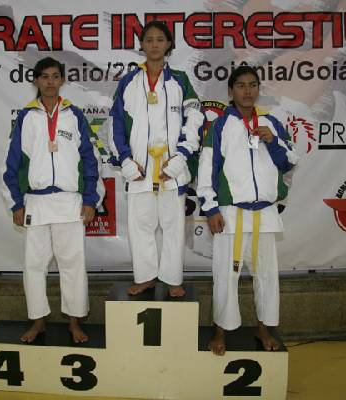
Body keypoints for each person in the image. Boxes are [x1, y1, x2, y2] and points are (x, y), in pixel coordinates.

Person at [197, 66, 298, 354]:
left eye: (253, 85)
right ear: (231, 91)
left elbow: (289, 162)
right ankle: (221, 331)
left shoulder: (272, 123)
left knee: (266, 275)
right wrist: (211, 208)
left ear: (258, 89)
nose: (247, 91)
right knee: (225, 275)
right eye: (241, 85)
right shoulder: (219, 126)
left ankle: (264, 329)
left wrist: (273, 140)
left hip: (264, 213)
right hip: (230, 213)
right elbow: (207, 170)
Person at [2, 57, 99, 343]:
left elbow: (91, 159)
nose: (50, 82)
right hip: (36, 202)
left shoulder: (74, 115)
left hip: (69, 202)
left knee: (73, 265)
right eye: (44, 76)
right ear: (36, 80)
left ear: (62, 80)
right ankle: (38, 321)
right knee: (34, 266)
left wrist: (90, 199)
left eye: (55, 76)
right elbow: (11, 163)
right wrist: (16, 203)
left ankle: (74, 322)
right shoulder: (26, 116)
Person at [108, 21, 204, 297]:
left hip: (172, 167)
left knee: (173, 227)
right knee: (140, 227)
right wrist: (126, 161)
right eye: (149, 40)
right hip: (139, 168)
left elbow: (195, 119)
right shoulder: (128, 82)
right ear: (141, 45)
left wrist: (181, 157)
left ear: (169, 44)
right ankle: (146, 277)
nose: (154, 45)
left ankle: (173, 278)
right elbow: (115, 124)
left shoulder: (180, 81)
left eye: (160, 39)